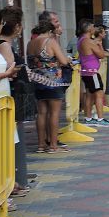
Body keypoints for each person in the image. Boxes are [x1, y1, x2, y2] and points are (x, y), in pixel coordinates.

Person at [0, 8, 31, 196]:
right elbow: (8, 70)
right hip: (5, 100)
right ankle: (7, 184)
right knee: (5, 142)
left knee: (7, 141)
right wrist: (11, 72)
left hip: (6, 99)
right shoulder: (3, 45)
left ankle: (9, 181)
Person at [27, 10, 71, 153]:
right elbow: (63, 61)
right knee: (54, 114)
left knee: (41, 113)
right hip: (53, 82)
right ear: (50, 30)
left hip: (37, 81)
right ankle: (53, 145)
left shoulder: (30, 43)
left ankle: (41, 145)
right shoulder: (50, 41)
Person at [77, 22, 109, 127]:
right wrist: (101, 47)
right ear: (89, 29)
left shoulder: (81, 40)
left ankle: (88, 118)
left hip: (86, 71)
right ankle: (100, 119)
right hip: (92, 72)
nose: (95, 29)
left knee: (89, 96)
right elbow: (100, 55)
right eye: (93, 27)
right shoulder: (88, 41)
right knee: (99, 94)